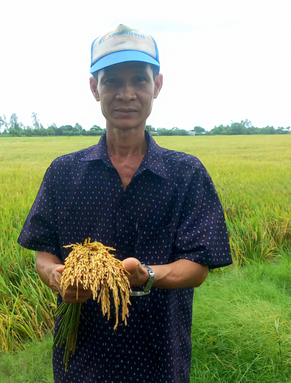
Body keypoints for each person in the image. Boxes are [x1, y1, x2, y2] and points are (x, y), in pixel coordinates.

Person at [18, 24, 232, 383]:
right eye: (113, 81)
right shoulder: (64, 172)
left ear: (157, 86)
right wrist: (56, 277)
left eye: (139, 80)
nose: (126, 93)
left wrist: (146, 275)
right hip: (81, 359)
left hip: (159, 357)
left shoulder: (186, 174)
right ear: (94, 88)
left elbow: (198, 266)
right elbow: (43, 252)